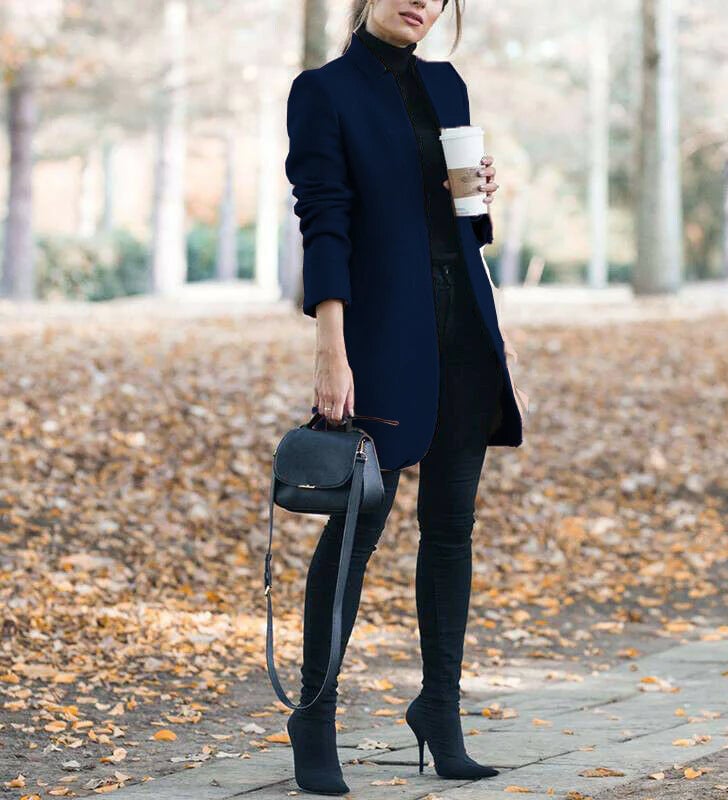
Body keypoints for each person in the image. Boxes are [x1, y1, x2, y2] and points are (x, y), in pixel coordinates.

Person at [282, 0, 524, 794]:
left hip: (465, 333)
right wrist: (331, 347)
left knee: (451, 530)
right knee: (357, 529)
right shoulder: (323, 91)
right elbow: (325, 221)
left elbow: (458, 229)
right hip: (381, 338)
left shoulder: (448, 86)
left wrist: (481, 195)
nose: (420, 0)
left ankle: (439, 712)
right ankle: (315, 715)